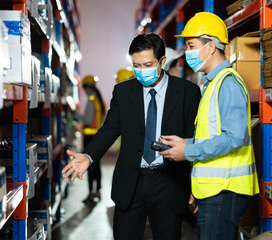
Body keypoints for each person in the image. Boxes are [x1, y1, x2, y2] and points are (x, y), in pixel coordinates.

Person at [62, 33, 201, 240]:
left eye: (148, 65)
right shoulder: (123, 92)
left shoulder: (187, 92)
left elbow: (195, 139)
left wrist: (195, 185)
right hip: (131, 182)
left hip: (169, 181)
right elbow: (109, 129)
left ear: (162, 61)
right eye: (137, 66)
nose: (142, 71)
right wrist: (89, 156)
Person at [158, 12, 260, 240]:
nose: (188, 52)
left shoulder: (228, 84)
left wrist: (188, 152)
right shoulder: (212, 84)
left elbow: (235, 138)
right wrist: (186, 143)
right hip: (213, 190)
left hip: (225, 191)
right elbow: (214, 135)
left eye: (191, 45)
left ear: (211, 47)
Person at [80, 75, 106, 202]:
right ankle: (98, 191)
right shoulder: (100, 101)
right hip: (98, 137)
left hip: (89, 138)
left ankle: (91, 193)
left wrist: (77, 116)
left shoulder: (91, 101)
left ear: (88, 87)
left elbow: (88, 120)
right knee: (97, 166)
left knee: (90, 166)